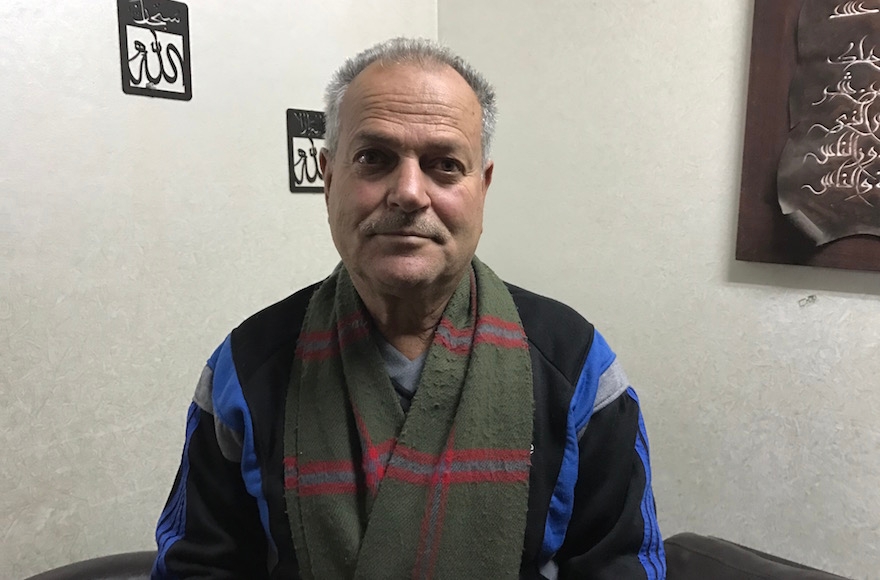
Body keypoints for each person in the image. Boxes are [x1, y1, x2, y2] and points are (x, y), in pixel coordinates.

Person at [152, 37, 666, 580]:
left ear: (482, 188)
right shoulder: (245, 368)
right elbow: (198, 566)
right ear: (328, 180)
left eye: (444, 164)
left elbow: (623, 564)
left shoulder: (578, 367)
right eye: (374, 159)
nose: (409, 192)